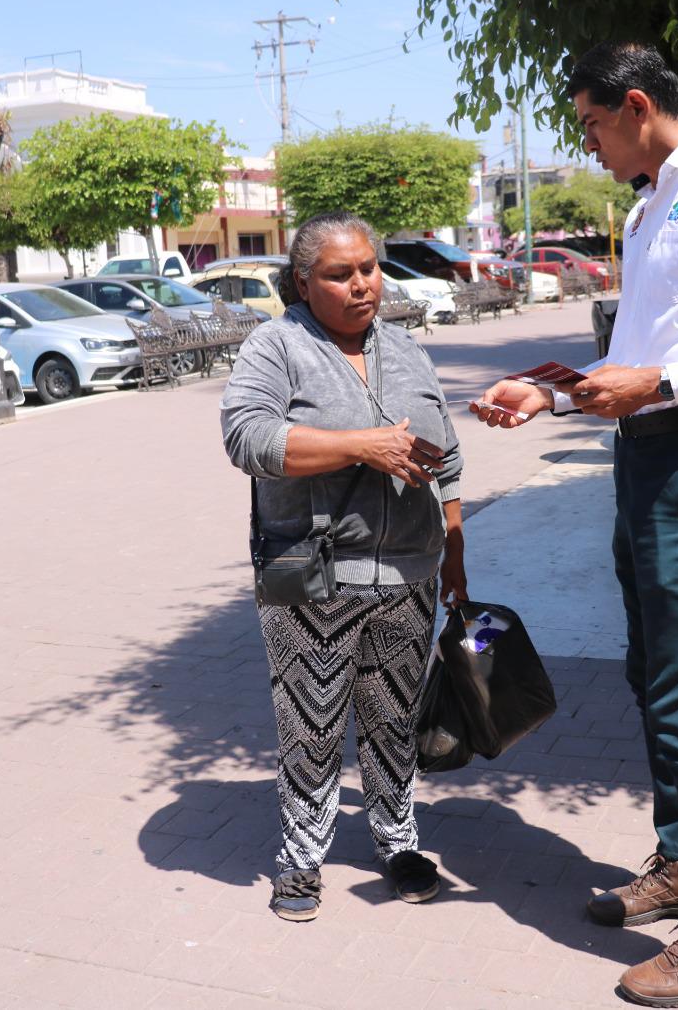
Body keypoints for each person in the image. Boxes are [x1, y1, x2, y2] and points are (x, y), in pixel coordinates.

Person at [471, 42, 678, 1007]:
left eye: (588, 125)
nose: (587, 145)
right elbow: (637, 359)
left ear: (634, 105)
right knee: (650, 677)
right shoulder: (654, 195)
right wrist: (549, 393)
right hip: (652, 458)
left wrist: (659, 382)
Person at [219, 210, 468, 921]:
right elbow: (248, 439)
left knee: (392, 718)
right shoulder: (277, 346)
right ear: (304, 282)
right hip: (309, 571)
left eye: (369, 268)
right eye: (340, 274)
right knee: (312, 723)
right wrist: (361, 445)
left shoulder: (407, 348)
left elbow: (446, 454)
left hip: (409, 574)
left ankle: (397, 841)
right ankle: (300, 858)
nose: (363, 285)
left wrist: (455, 550)